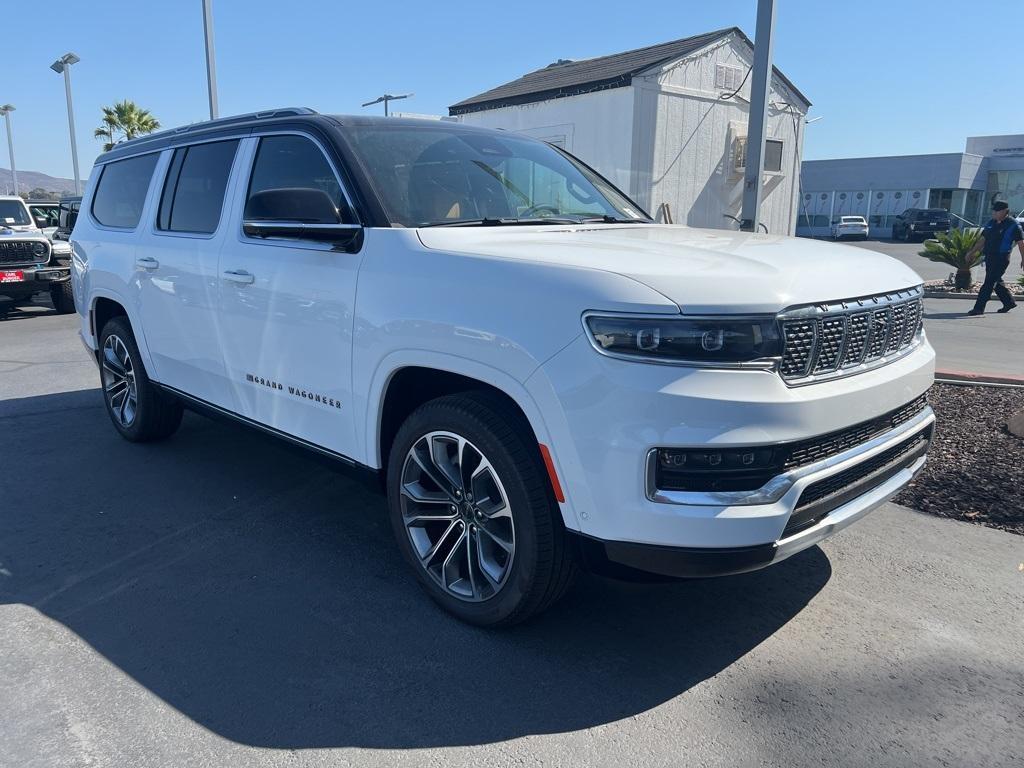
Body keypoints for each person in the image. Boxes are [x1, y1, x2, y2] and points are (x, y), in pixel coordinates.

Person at [966, 201, 1023, 315]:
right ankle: (1009, 302)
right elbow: (983, 240)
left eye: (997, 211)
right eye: (994, 210)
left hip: (1002, 257)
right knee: (996, 280)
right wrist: (972, 252)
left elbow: (1021, 242)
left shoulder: (1013, 225)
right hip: (990, 256)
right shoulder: (991, 223)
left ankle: (979, 308)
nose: (994, 213)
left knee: (989, 282)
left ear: (1005, 211)